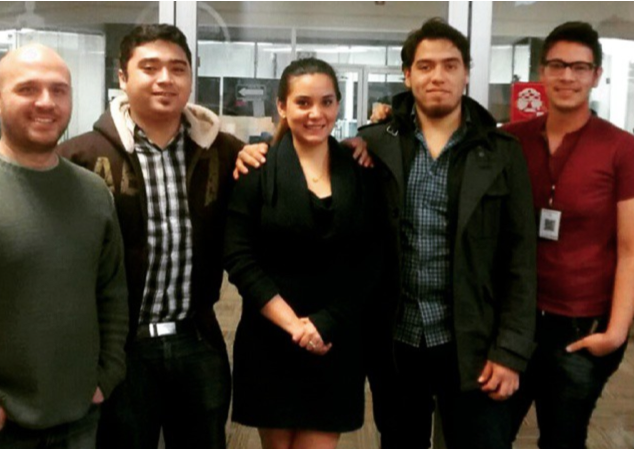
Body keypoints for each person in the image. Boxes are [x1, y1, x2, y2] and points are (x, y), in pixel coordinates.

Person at [235, 19, 537, 449]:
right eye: (425, 65)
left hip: (472, 342)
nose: (438, 76)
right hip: (394, 342)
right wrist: (255, 150)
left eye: (450, 65)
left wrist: (510, 350)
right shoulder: (373, 145)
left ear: (466, 73)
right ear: (407, 75)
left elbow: (521, 260)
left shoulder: (501, 153)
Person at [58, 24, 243, 449]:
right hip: (121, 349)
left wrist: (357, 148)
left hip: (198, 339)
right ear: (123, 77)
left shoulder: (224, 151)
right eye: (150, 67)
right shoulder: (80, 157)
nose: (165, 79)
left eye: (178, 68)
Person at [224, 57, 383, 449]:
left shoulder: (360, 169)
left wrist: (325, 323)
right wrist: (295, 326)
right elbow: (240, 257)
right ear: (282, 106)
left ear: (338, 104)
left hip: (336, 337)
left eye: (327, 102)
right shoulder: (257, 168)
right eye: (303, 103)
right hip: (270, 337)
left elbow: (371, 259)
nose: (316, 114)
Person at [503, 22, 634, 449]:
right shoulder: (511, 140)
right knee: (488, 434)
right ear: (541, 72)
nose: (567, 77)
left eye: (580, 67)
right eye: (557, 65)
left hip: (581, 327)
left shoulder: (621, 148)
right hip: (516, 322)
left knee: (562, 439)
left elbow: (630, 250)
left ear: (596, 75)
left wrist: (616, 332)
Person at [0, 44, 128, 448]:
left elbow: (111, 291)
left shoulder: (93, 192)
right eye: (27, 89)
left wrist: (107, 375)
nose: (46, 102)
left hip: (79, 417)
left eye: (59, 90)